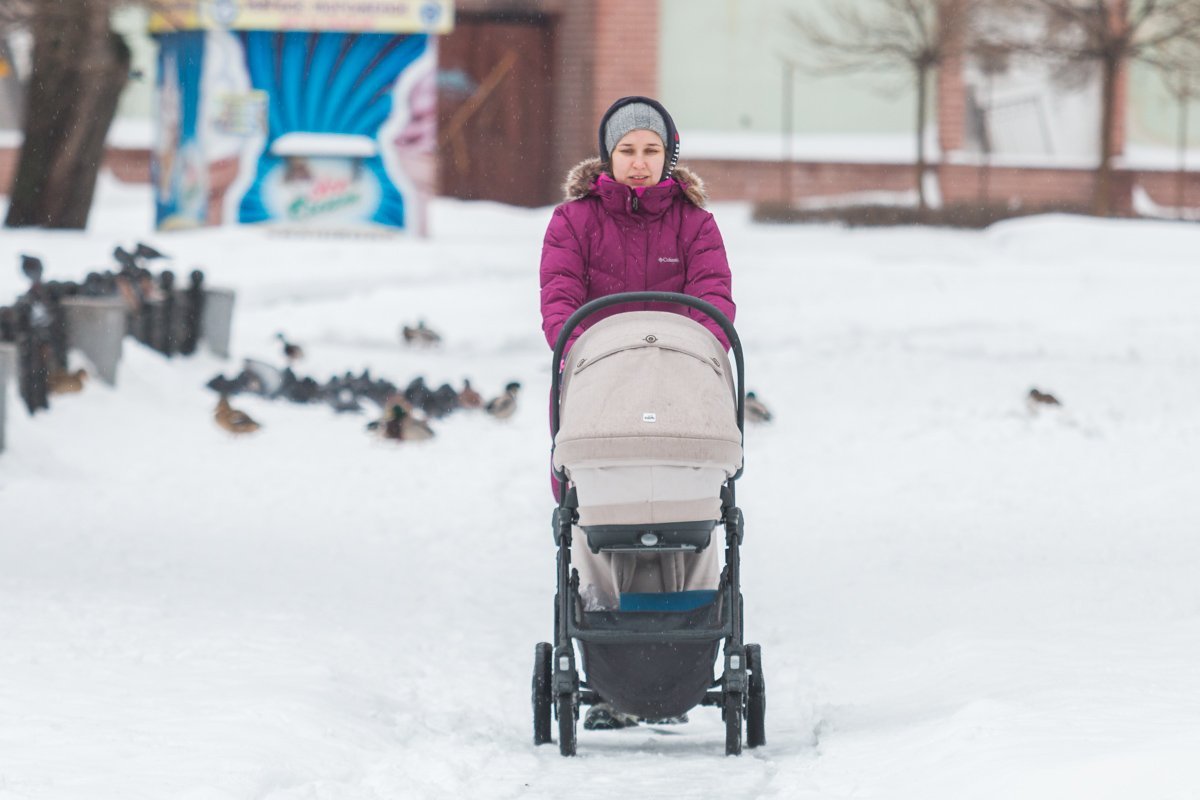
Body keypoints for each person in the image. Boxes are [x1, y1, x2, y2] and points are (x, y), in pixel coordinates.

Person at [539, 96, 736, 730]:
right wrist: (592, 346)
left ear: (668, 156)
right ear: (608, 155)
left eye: (652, 151)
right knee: (597, 525)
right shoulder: (574, 222)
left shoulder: (695, 224)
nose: (639, 163)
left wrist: (686, 344)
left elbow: (713, 300)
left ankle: (684, 650)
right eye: (627, 151)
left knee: (694, 523)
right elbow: (560, 300)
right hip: (603, 399)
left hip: (680, 400)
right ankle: (608, 674)